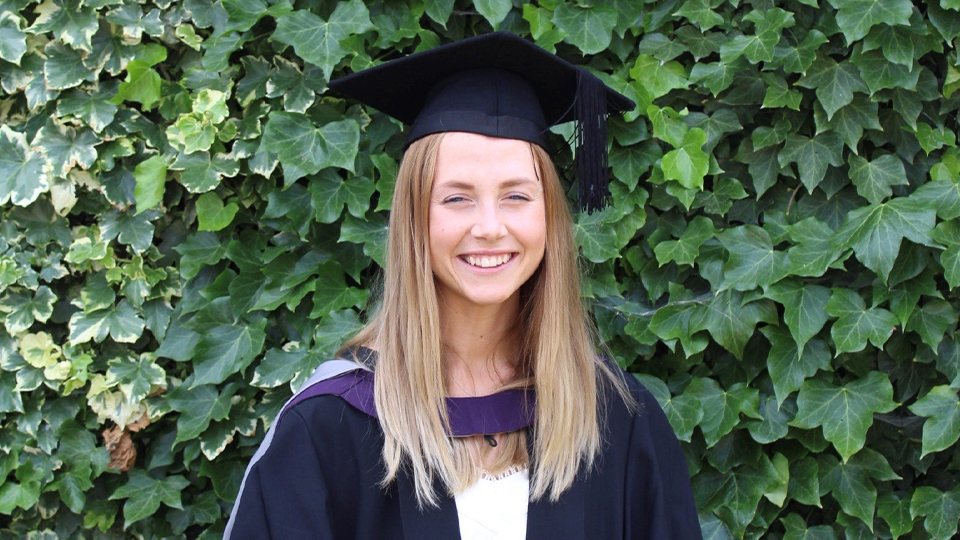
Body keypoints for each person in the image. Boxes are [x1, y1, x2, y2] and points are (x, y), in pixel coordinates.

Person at [225, 32, 701, 540]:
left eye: (516, 195)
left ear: (550, 219)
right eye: (457, 199)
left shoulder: (618, 420)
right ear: (414, 219)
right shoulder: (328, 429)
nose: (490, 226)